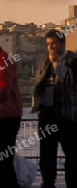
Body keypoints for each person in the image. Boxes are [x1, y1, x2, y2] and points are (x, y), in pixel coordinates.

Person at [31, 29, 77, 188]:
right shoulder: (43, 63)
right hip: (47, 117)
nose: (51, 47)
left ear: (62, 43)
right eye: (48, 44)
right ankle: (48, 183)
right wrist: (38, 108)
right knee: (47, 156)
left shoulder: (76, 60)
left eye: (54, 43)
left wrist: (57, 63)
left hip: (67, 117)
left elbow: (69, 81)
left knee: (71, 156)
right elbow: (38, 87)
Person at [0, 46, 23, 188]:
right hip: (8, 116)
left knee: (4, 161)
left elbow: (3, 89)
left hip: (5, 117)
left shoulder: (4, 60)